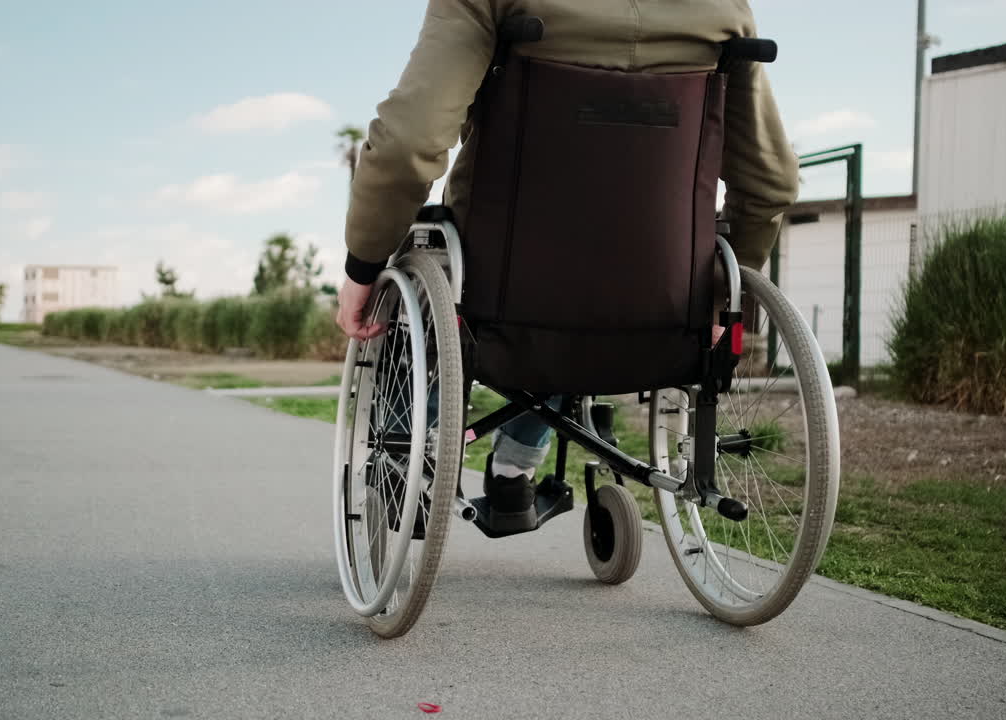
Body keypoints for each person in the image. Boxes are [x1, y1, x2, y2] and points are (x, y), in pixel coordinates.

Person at [335, 0, 799, 528]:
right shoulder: (723, 10)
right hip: (658, 304)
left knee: (464, 273)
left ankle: (400, 458)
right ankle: (514, 472)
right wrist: (720, 296)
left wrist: (362, 264)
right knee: (585, 277)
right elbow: (770, 183)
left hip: (504, 284)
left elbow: (407, 145)